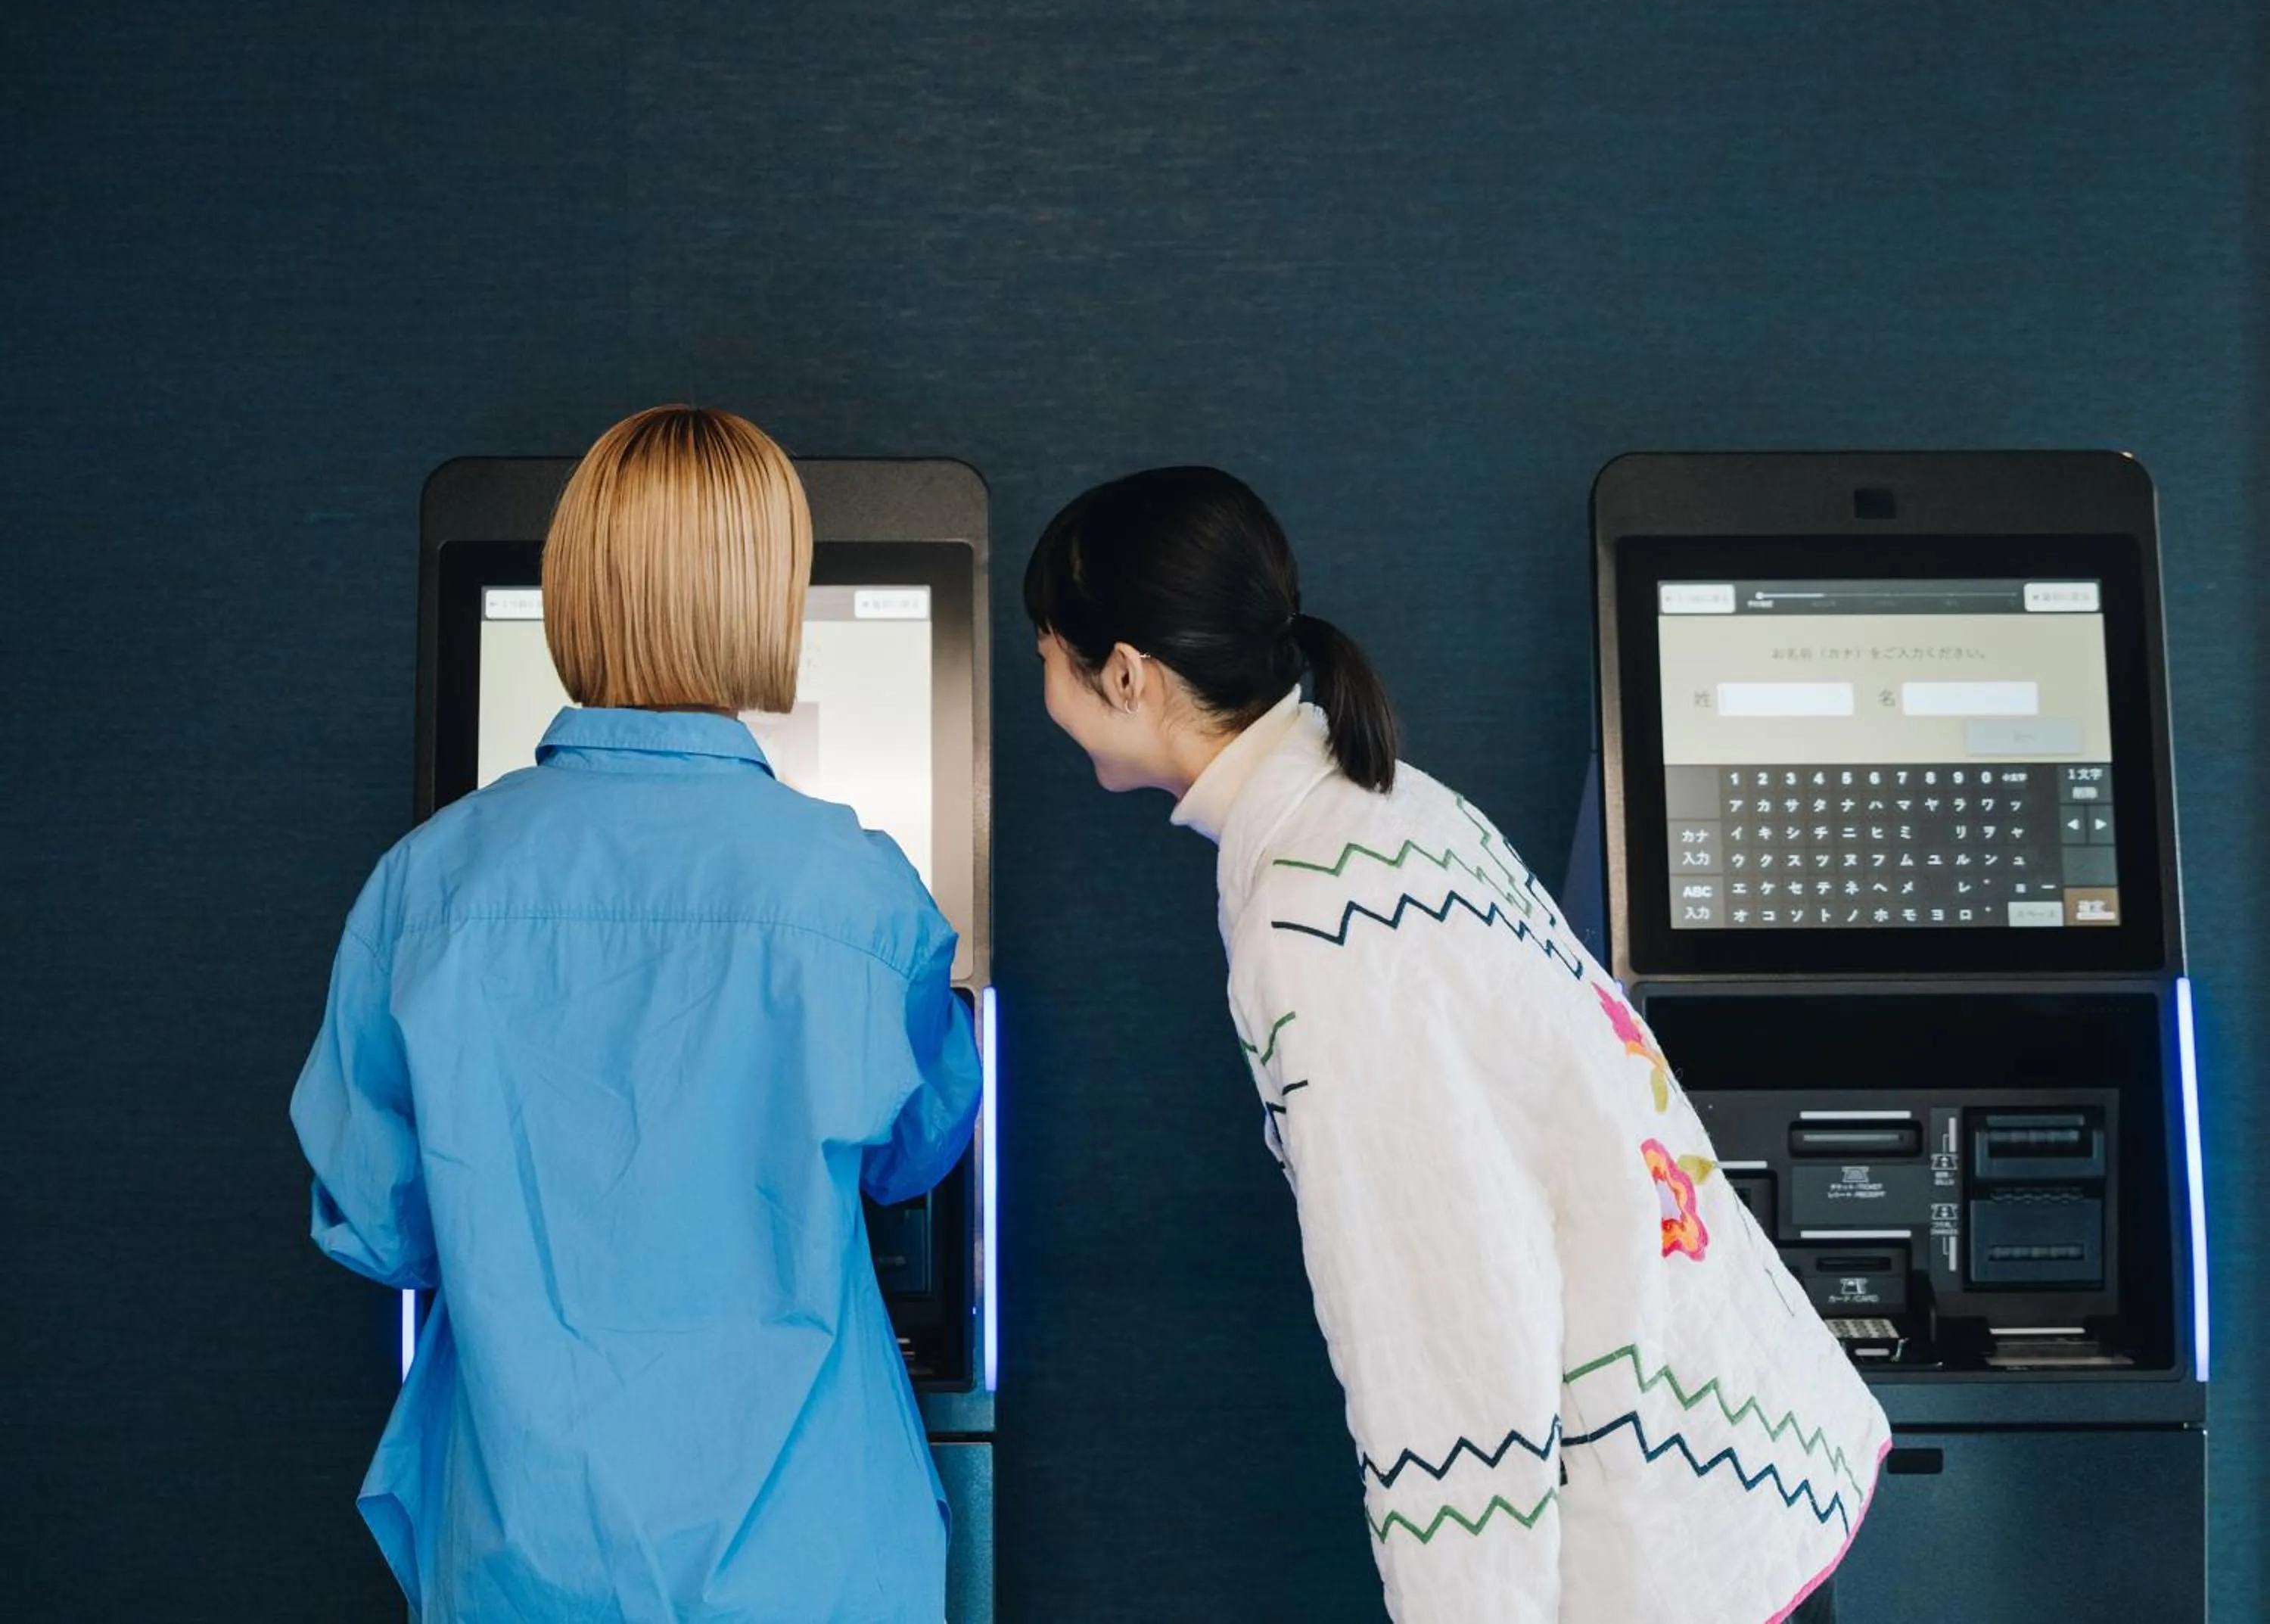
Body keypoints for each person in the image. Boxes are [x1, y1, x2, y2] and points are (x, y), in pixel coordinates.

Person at [1025, 465, 1887, 1624]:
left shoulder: (1308, 914)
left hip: (1668, 1525)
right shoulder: (1384, 803)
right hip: (1737, 1456)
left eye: (1045, 649)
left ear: (1125, 672)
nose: (1040, 676)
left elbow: (1440, 1310)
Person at [291, 406, 979, 1622]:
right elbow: (917, 1148)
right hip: (808, 1559)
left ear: (574, 589)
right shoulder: (857, 890)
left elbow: (382, 1230)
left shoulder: (426, 888)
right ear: (767, 599)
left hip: (517, 1560)